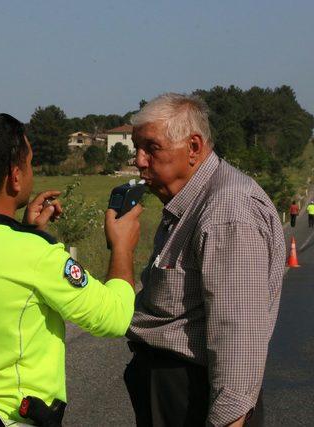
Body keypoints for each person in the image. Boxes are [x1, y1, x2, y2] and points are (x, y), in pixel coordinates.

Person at [0, 111, 142, 425]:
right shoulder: (36, 254)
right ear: (15, 176)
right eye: (29, 164)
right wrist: (122, 246)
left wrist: (24, 231)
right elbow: (114, 317)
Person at [125, 94, 285, 426]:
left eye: (151, 148)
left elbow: (237, 334)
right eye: (136, 148)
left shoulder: (228, 209)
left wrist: (229, 419)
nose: (139, 161)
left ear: (194, 147)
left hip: (193, 396)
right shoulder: (189, 202)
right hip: (174, 392)